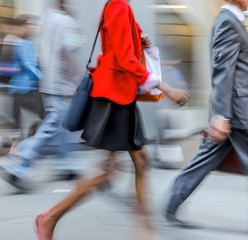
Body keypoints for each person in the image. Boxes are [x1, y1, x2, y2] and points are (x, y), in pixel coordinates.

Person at [31, 0, 189, 239]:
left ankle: (144, 231)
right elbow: (125, 59)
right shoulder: (119, 5)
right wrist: (165, 88)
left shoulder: (116, 6)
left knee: (135, 163)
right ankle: (51, 217)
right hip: (115, 98)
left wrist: (140, 39)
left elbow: (120, 46)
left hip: (117, 96)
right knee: (112, 170)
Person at [164, 1, 248, 239]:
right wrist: (222, 116)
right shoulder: (228, 22)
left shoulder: (232, 21)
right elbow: (223, 70)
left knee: (204, 161)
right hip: (238, 115)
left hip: (234, 112)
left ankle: (171, 204)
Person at [0, 0, 85, 191]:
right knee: (53, 125)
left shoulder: (48, 18)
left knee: (61, 125)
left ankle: (67, 164)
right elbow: (73, 46)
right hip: (60, 83)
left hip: (49, 82)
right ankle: (18, 165)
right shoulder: (66, 21)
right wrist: (81, 36)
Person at [8, 15, 43, 137]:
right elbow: (27, 63)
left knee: (34, 118)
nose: (33, 27)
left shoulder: (29, 43)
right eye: (30, 25)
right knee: (24, 122)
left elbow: (34, 62)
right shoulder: (20, 43)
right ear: (23, 27)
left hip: (29, 87)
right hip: (22, 88)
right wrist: (41, 76)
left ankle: (27, 142)